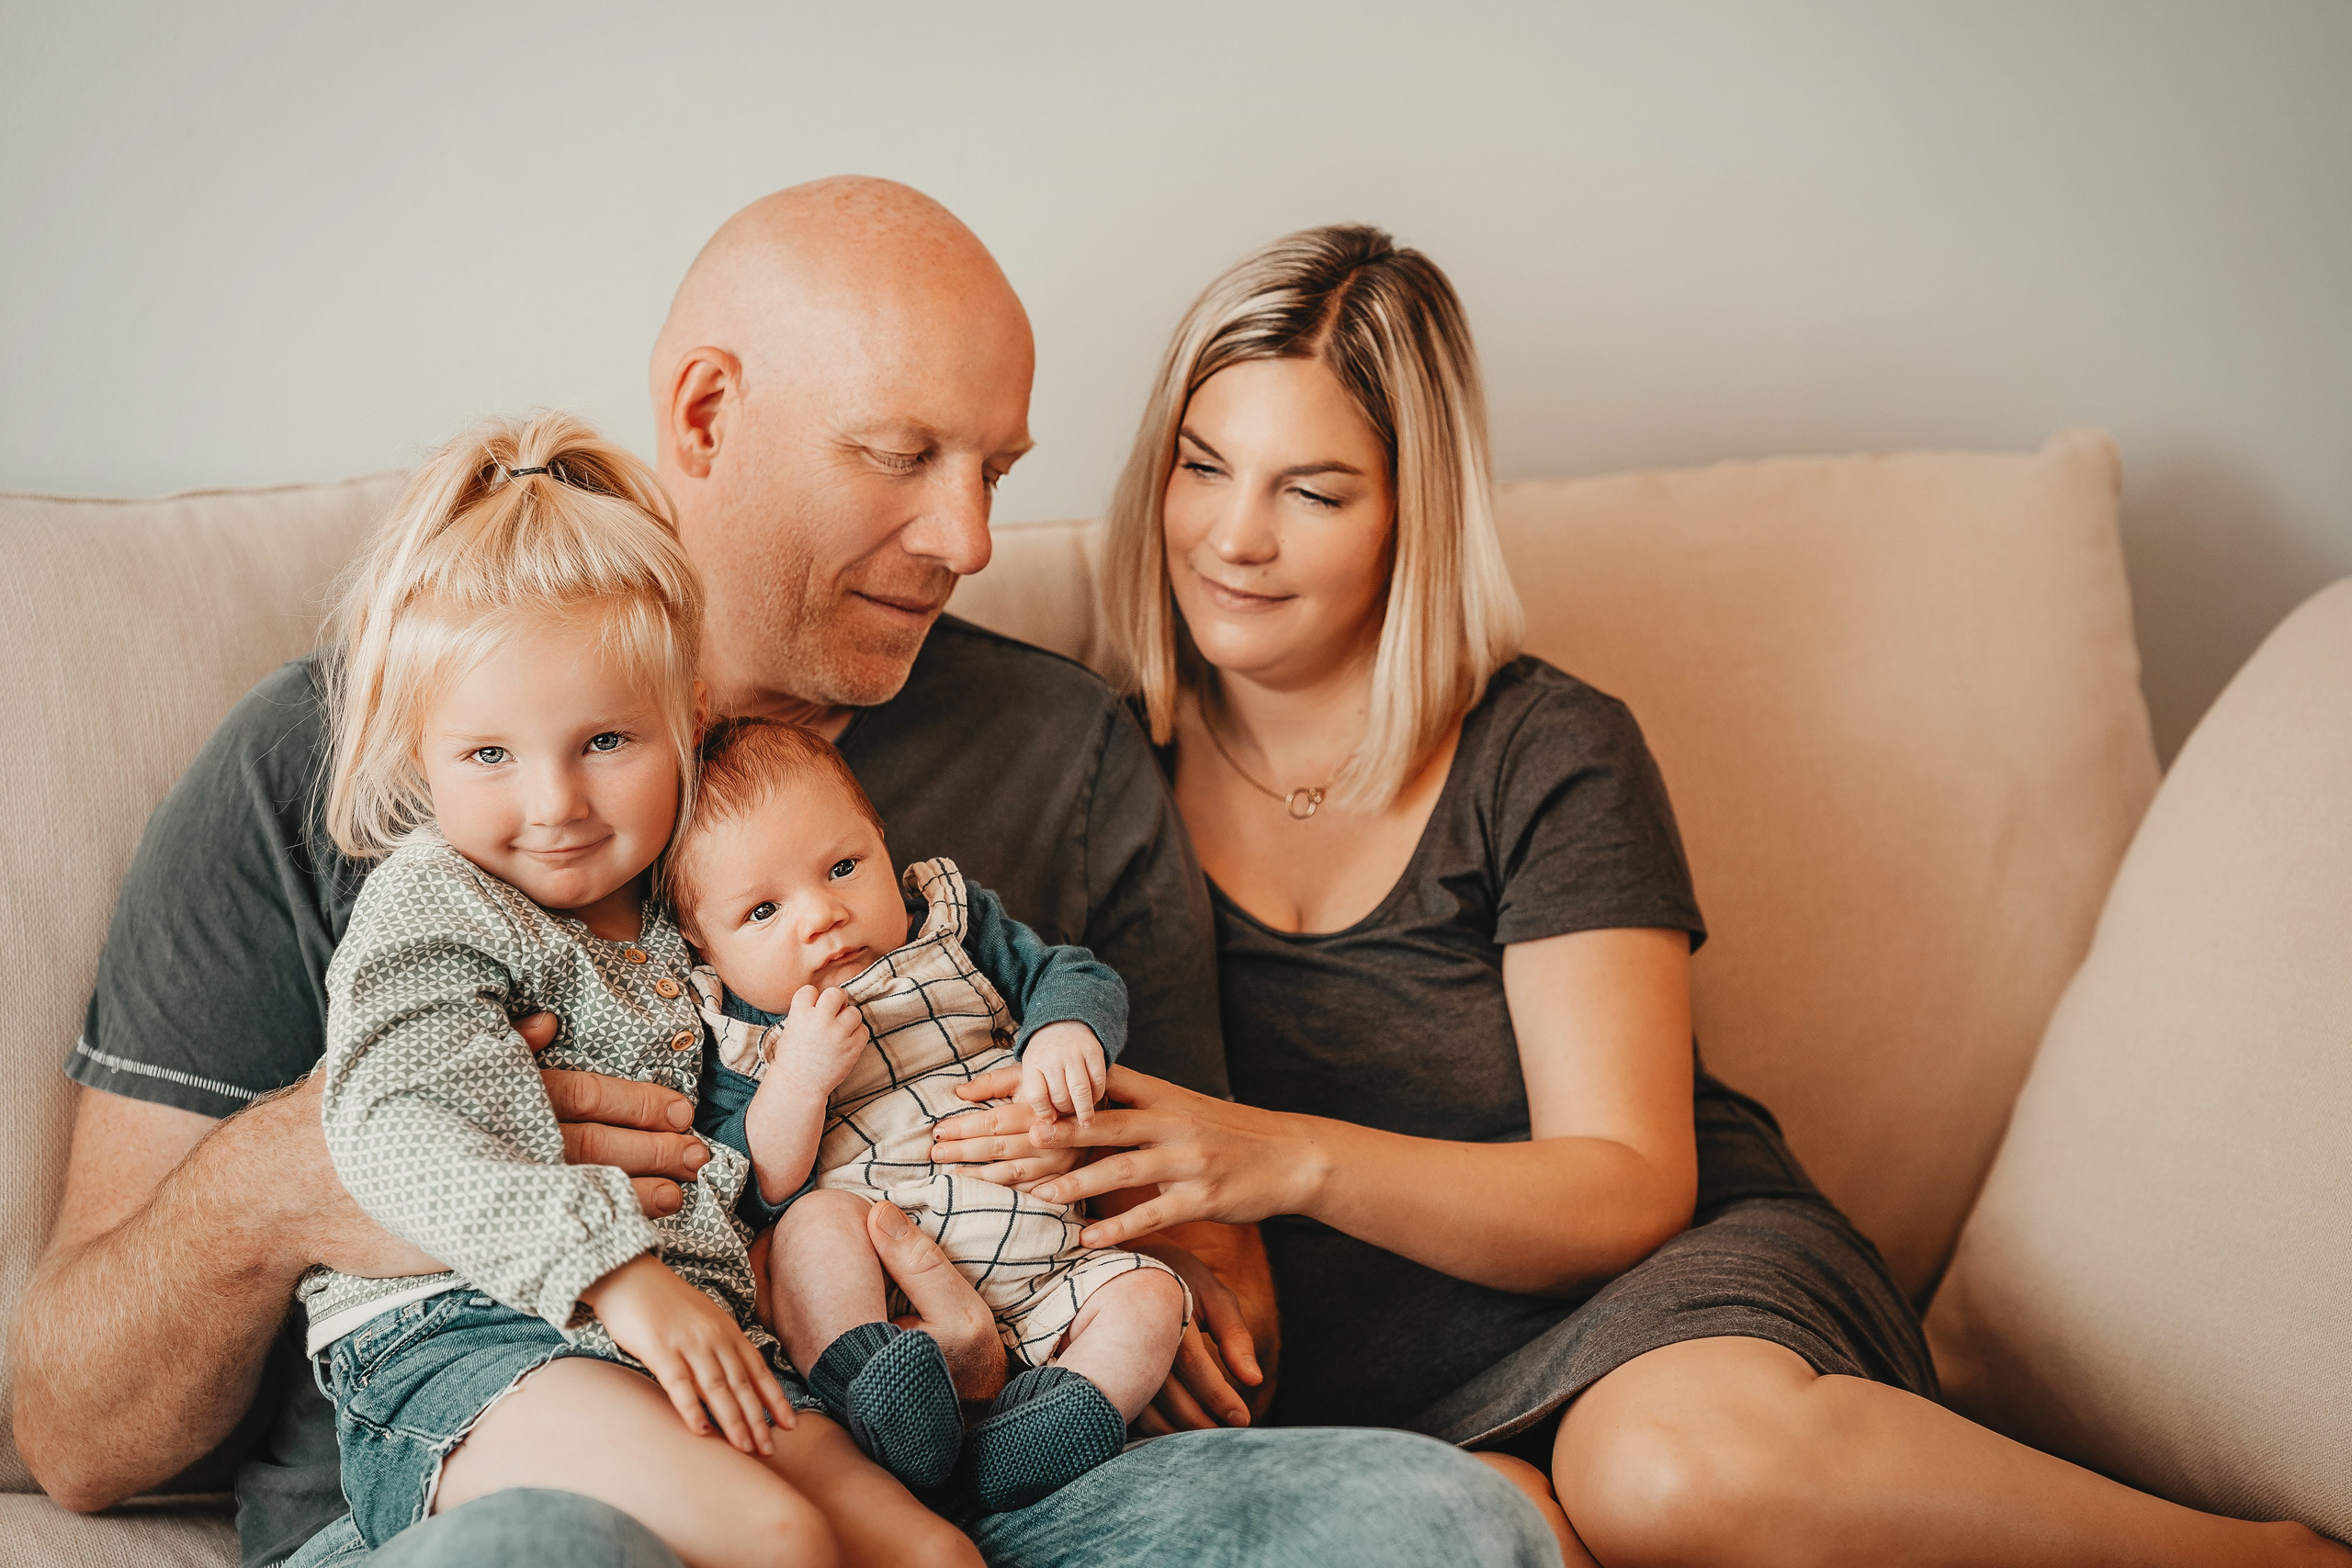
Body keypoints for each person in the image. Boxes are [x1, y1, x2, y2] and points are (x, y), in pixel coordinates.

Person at [11, 181, 1559, 1568]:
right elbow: (71, 1431)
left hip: (968, 1484)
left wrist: (949, 1278)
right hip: (511, 1481)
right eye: (902, 457)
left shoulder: (1058, 747)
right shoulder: (356, 747)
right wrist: (317, 1167)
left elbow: (1223, 1310)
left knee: (1444, 1520)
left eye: (997, 469)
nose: (967, 534)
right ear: (701, 415)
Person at [933, 222, 2352, 1567]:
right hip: (1371, 1393)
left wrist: (1285, 1155)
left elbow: (1627, 1182)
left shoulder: (1541, 750)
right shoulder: (1097, 760)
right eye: (1202, 464)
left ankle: (2263, 1557)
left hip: (1660, 1299)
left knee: (1662, 1470)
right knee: (1477, 1531)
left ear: (1409, 517)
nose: (1233, 537)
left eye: (1312, 489)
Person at [297, 409, 989, 1568]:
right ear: (421, 755)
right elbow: (389, 1126)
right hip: (470, 1331)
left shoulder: (696, 902)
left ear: (689, 722)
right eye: (489, 756)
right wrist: (612, 1273)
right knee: (772, 1538)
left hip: (703, 1319)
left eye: (607, 741)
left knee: (932, 1556)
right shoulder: (437, 901)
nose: (556, 801)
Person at [673, 717, 1187, 1513]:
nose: (822, 915)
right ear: (701, 946)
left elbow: (1073, 972)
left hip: (1054, 1264)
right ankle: (880, 1394)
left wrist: (1062, 1030)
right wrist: (800, 1079)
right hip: (890, 1298)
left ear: (884, 842)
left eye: (844, 866)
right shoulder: (744, 1035)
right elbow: (755, 1184)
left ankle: (1050, 1423)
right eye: (763, 910)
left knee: (1152, 1298)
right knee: (809, 1229)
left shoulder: (953, 929)